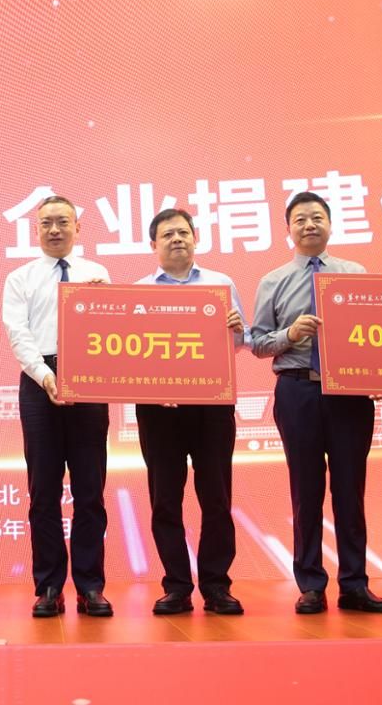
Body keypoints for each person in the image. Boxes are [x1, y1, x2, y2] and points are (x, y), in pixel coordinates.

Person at [251, 191, 382, 614]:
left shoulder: (355, 274)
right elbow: (257, 343)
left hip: (348, 395)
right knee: (306, 490)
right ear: (288, 229)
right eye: (300, 219)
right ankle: (311, 584)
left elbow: (375, 334)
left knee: (351, 489)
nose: (309, 224)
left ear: (330, 225)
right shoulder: (273, 281)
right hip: (298, 390)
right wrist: (290, 334)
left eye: (317, 217)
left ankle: (354, 584)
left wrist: (378, 376)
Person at [1, 195, 113, 618]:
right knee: (43, 491)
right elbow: (18, 332)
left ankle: (90, 586)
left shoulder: (97, 274)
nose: (54, 229)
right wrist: (45, 375)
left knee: (90, 490)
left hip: (89, 378)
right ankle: (49, 586)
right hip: (39, 381)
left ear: (77, 228)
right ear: (36, 229)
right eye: (46, 222)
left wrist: (106, 303)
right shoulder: (20, 277)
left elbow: (111, 330)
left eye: (62, 222)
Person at [133, 208, 247, 616]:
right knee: (165, 500)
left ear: (196, 238)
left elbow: (237, 344)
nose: (177, 239)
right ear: (153, 245)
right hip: (158, 410)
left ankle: (217, 586)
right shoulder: (138, 292)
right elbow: (129, 352)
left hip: (212, 405)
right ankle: (177, 586)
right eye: (168, 235)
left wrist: (237, 329)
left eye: (183, 232)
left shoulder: (221, 284)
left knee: (216, 497)